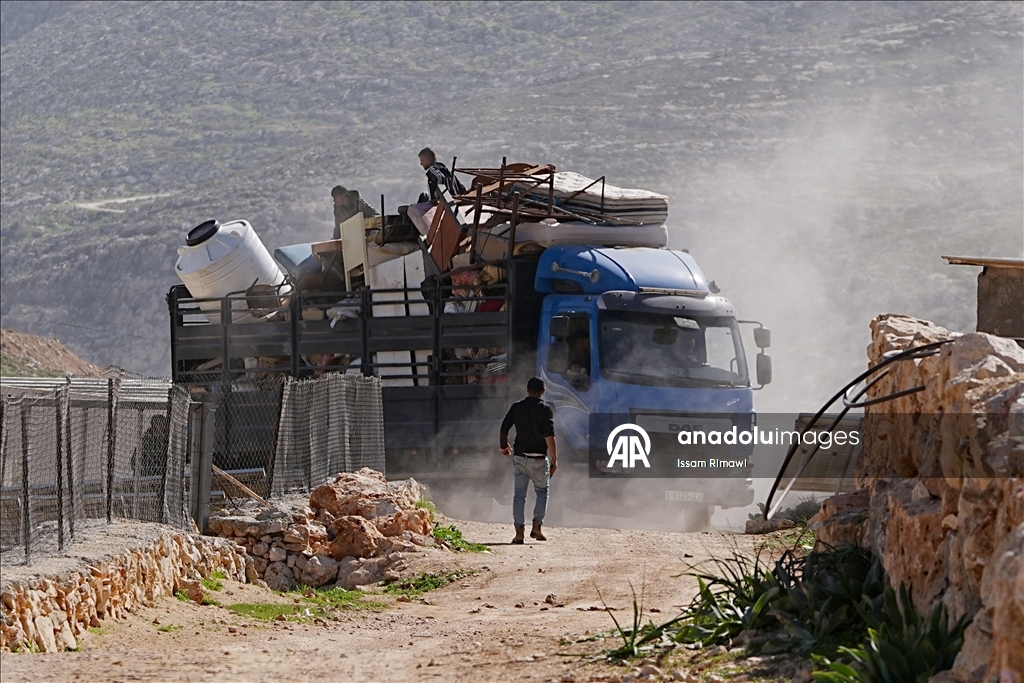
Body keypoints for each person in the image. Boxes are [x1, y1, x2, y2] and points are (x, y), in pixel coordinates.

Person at [499, 377, 557, 544]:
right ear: (543, 392)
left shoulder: (517, 407)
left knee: (519, 496)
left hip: (519, 458)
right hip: (538, 459)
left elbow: (504, 427)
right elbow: (549, 436)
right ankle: (537, 527)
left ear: (527, 389)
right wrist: (555, 458)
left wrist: (504, 446)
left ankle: (519, 533)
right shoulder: (545, 410)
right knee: (542, 492)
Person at [132, 414, 168, 478]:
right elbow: (134, 461)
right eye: (157, 425)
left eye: (162, 425)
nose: (160, 428)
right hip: (146, 476)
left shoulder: (167, 440)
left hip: (161, 475)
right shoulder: (146, 439)